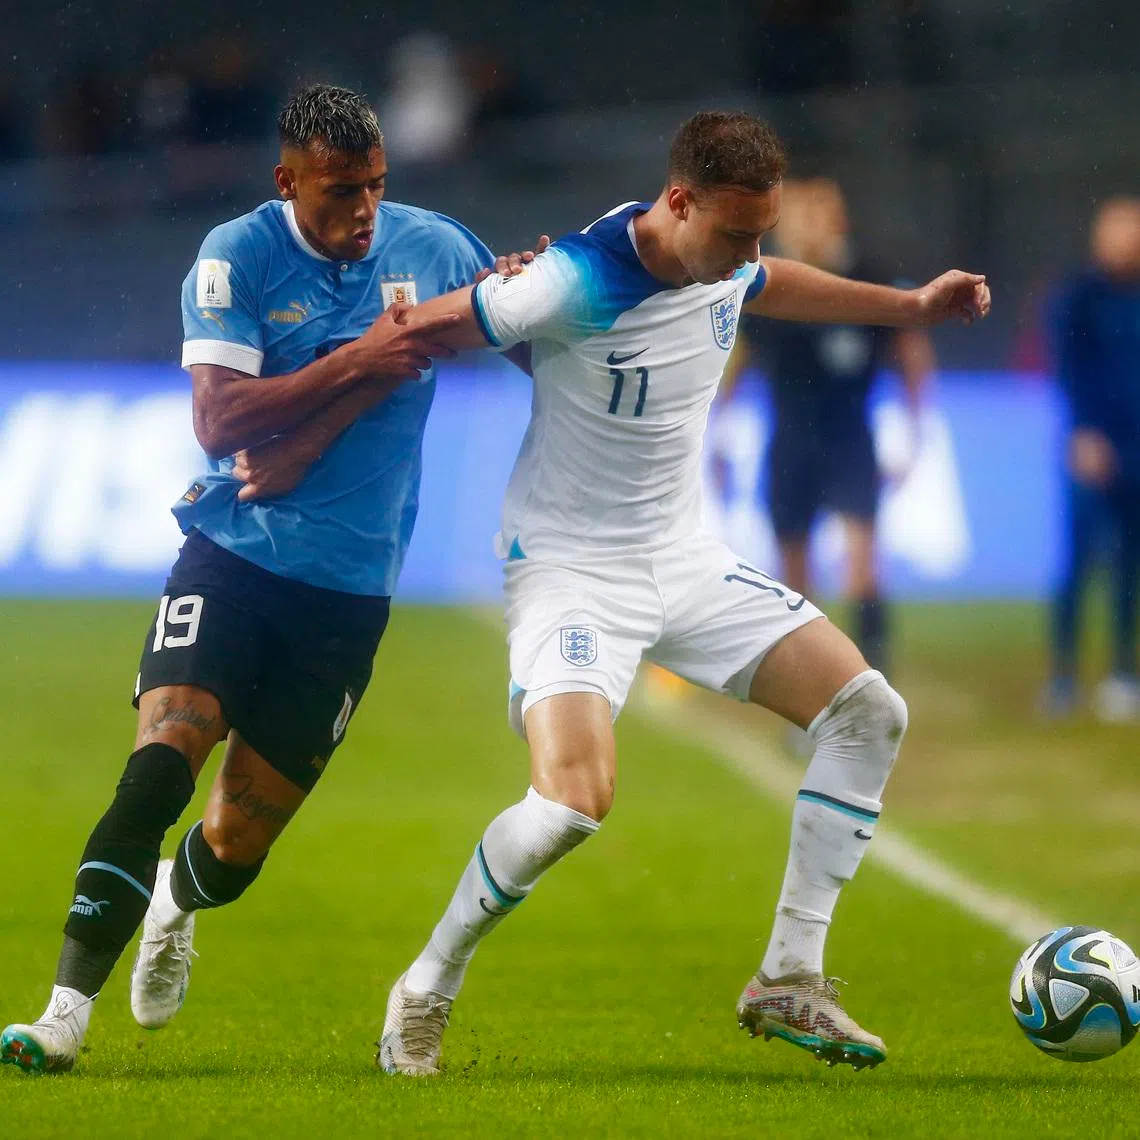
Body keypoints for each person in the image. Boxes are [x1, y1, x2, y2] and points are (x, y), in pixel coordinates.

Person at [231, 110, 989, 1075]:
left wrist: (911, 306)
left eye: (758, 234)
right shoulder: (573, 280)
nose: (748, 256)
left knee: (869, 712)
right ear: (678, 203)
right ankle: (427, 982)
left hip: (684, 558)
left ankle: (790, 977)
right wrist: (298, 442)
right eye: (733, 235)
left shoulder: (725, 260)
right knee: (573, 804)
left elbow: (770, 283)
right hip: (570, 569)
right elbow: (410, 333)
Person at [0, 83, 539, 1076]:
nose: (364, 211)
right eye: (341, 192)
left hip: (349, 589)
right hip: (232, 552)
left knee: (234, 850)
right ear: (289, 180)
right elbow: (221, 421)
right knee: (165, 752)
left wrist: (537, 296)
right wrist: (365, 357)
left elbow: (526, 344)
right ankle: (62, 1012)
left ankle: (177, 901)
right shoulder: (237, 256)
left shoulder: (432, 247)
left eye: (376, 187)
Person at [718, 178, 936, 676]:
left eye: (817, 214)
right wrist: (719, 435)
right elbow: (736, 360)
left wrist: (917, 429)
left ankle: (873, 673)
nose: (805, 226)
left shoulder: (866, 275)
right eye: (797, 217)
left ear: (837, 219)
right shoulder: (763, 282)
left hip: (850, 439)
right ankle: (809, 681)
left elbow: (910, 352)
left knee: (863, 563)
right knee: (794, 574)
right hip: (789, 440)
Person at [1042, 196, 1140, 721]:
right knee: (1077, 563)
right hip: (1090, 446)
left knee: (1130, 566)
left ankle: (1124, 673)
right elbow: (1067, 368)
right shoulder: (1077, 297)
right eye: (1117, 229)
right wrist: (1082, 433)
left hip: (1137, 446)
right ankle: (1063, 676)